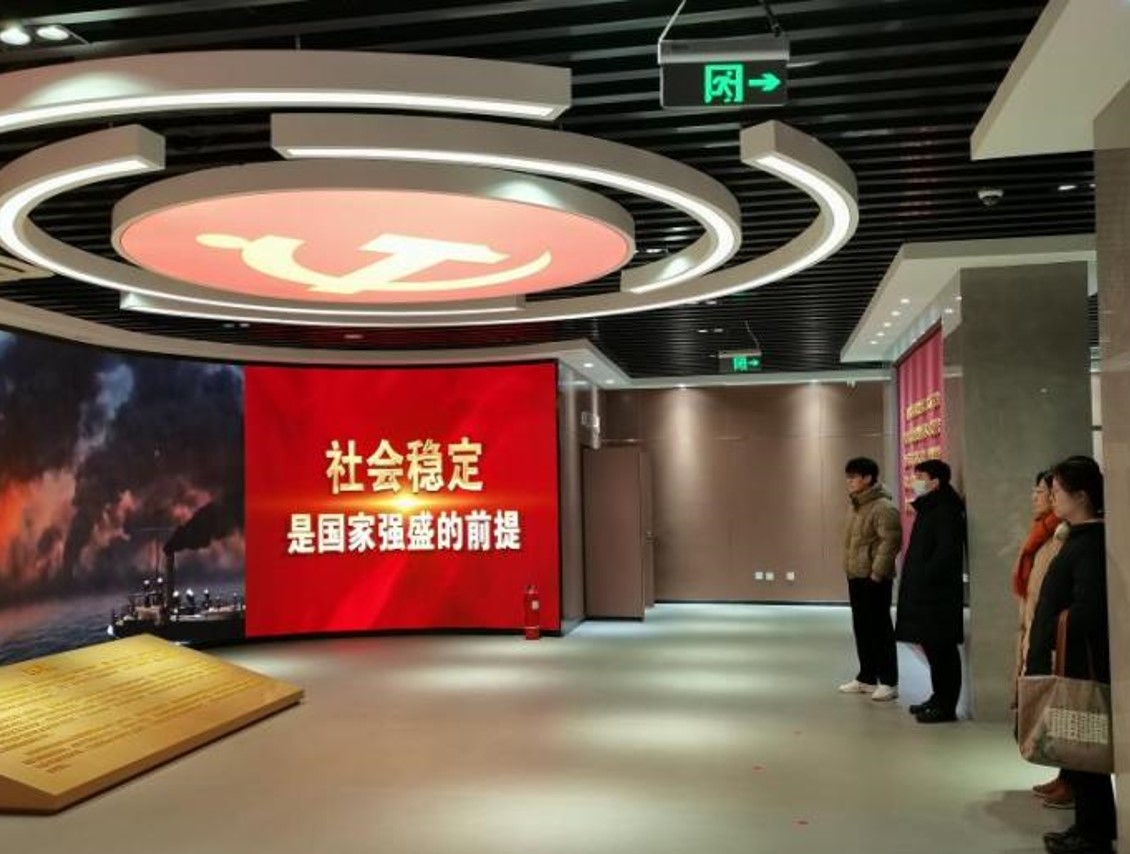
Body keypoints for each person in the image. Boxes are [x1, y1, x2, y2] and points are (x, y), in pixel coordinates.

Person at [1027, 456, 1113, 854]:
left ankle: (1094, 834)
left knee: (1085, 747)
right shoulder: (1076, 537)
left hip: (1079, 661)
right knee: (1080, 747)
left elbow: (1088, 608)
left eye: (1058, 490)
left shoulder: (1090, 542)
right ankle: (1087, 827)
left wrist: (1054, 629)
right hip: (1069, 657)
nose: (1052, 497)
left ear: (1081, 495)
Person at [1012, 470, 1071, 809]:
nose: (1034, 496)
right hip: (1034, 625)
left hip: (1051, 633)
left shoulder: (1062, 535)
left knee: (1063, 705)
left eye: (1042, 490)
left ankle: (1073, 779)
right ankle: (1065, 775)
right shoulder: (1042, 533)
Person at [895, 459, 966, 723]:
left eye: (921, 477)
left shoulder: (946, 510)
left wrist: (924, 577)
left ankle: (947, 706)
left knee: (943, 649)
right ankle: (938, 697)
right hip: (927, 593)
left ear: (935, 482)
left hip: (938, 594)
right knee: (933, 647)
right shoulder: (930, 507)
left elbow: (945, 554)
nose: (916, 482)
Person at [838, 457, 902, 701]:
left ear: (868, 478)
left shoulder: (883, 507)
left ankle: (888, 681)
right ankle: (866, 677)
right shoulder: (856, 505)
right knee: (862, 627)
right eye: (848, 477)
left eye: (853, 477)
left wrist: (877, 572)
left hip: (875, 577)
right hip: (856, 574)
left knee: (880, 629)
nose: (849, 481)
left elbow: (891, 542)